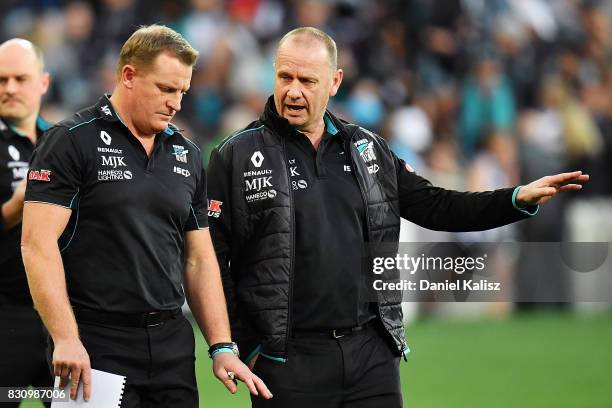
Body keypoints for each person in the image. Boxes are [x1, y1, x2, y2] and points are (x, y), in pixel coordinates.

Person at [206, 27, 589, 408]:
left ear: (335, 81)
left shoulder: (367, 148)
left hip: (371, 356)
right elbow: (212, 257)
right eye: (284, 77)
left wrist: (515, 198)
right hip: (286, 361)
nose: (293, 91)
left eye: (307, 80)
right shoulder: (236, 155)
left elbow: (437, 206)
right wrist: (246, 344)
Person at [21, 25, 271, 407]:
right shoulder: (71, 141)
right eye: (166, 89)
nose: (176, 103)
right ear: (128, 76)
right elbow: (37, 244)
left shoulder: (187, 154)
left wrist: (222, 345)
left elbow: (199, 259)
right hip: (94, 342)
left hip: (171, 344)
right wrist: (65, 337)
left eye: (182, 92)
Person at [0, 39, 53, 408]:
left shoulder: (61, 142)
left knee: (71, 403)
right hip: (5, 318)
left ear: (44, 83)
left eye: (21, 78)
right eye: (1, 80)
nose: (10, 88)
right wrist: (16, 206)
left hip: (59, 318)